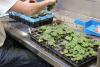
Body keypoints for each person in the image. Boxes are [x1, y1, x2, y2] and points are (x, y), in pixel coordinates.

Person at [0, 0, 56, 67]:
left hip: (3, 42)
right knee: (40, 61)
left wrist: (22, 5)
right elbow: (30, 10)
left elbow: (5, 6)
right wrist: (49, 1)